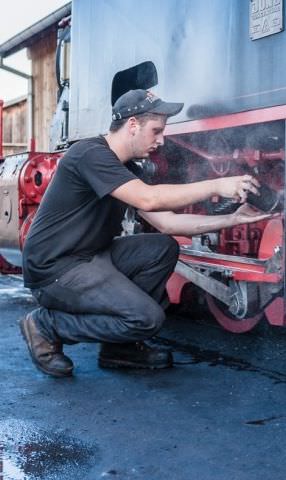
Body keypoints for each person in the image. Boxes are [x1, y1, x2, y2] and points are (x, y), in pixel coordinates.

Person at [20, 89, 271, 378]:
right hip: (55, 269)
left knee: (162, 248)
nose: (161, 140)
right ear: (133, 125)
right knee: (147, 319)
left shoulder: (124, 167)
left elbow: (168, 223)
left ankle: (120, 349)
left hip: (90, 257)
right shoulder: (89, 154)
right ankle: (46, 325)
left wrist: (233, 218)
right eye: (156, 131)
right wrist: (216, 185)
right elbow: (149, 199)